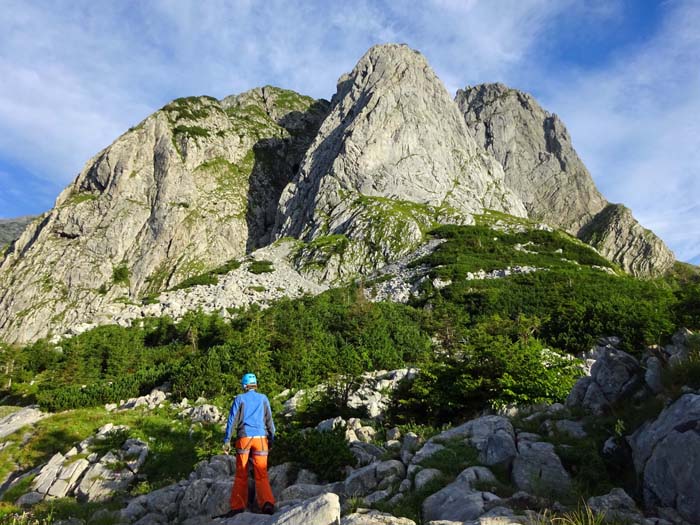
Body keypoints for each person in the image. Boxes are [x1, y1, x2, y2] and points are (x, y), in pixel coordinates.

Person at [217, 372, 276, 517]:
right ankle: (267, 503)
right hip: (261, 439)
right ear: (255, 384)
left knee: (241, 474)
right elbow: (270, 421)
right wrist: (272, 438)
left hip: (244, 439)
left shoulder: (240, 399)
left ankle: (238, 506)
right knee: (261, 474)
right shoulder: (263, 398)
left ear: (244, 385)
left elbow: (232, 421)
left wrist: (227, 440)